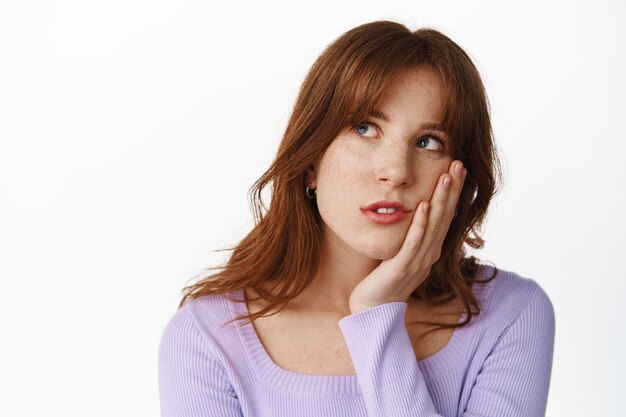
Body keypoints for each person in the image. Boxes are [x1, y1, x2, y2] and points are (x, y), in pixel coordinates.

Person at [158, 20, 555, 417]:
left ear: (460, 171)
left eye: (427, 142)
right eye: (365, 129)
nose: (396, 171)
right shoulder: (209, 338)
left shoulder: (511, 314)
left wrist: (376, 315)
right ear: (310, 160)